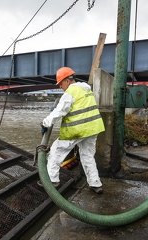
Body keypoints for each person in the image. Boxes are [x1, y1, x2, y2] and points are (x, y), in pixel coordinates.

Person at [39, 66, 105, 194]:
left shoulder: (70, 92)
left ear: (67, 81)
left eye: (60, 83)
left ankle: (52, 181)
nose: (60, 87)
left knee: (56, 151)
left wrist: (45, 123)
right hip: (93, 128)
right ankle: (95, 184)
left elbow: (60, 111)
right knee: (88, 156)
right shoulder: (85, 89)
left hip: (77, 130)